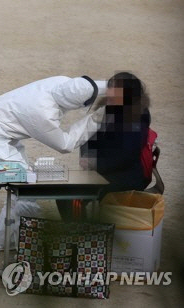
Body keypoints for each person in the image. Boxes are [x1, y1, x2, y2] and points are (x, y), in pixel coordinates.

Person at [0, 76, 107, 248]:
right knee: (22, 186)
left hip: (1, 121)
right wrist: (95, 119)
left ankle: (14, 239)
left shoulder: (63, 82)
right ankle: (1, 244)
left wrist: (121, 88)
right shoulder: (43, 114)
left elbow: (89, 87)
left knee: (24, 186)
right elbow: (65, 145)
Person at [57, 72, 152, 221]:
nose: (108, 92)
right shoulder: (108, 110)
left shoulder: (134, 118)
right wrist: (87, 157)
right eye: (109, 87)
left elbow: (127, 155)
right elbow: (90, 136)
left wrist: (96, 163)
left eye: (114, 89)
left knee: (70, 197)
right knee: (64, 191)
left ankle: (80, 237)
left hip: (123, 177)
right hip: (104, 172)